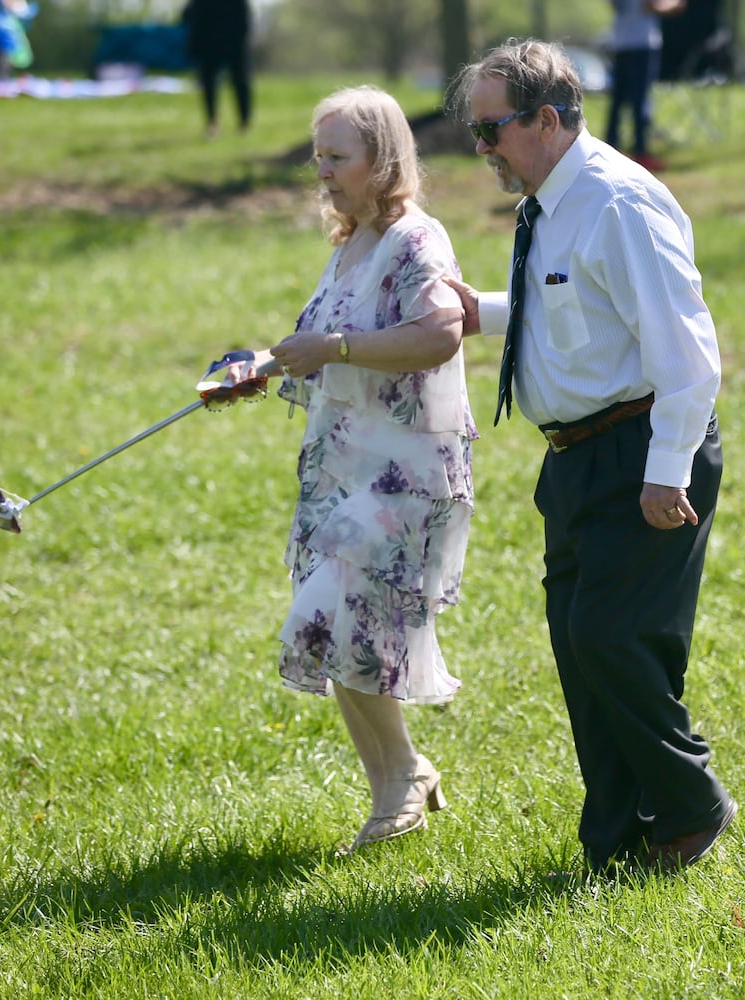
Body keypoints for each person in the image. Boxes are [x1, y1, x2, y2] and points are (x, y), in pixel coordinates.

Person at [445, 38, 736, 876]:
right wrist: (486, 313)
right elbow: (575, 305)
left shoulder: (616, 202)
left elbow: (687, 350)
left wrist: (668, 470)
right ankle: (615, 836)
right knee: (580, 646)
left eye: (492, 129)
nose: (482, 148)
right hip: (574, 459)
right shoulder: (548, 200)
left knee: (614, 639)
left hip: (642, 448)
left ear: (546, 118)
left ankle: (690, 807)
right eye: (475, 132)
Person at [250, 86, 474, 855]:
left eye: (337, 157)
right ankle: (399, 780)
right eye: (319, 155)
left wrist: (335, 350)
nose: (323, 171)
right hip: (344, 467)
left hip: (403, 473)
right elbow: (317, 344)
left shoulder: (418, 240)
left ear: (383, 161)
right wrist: (255, 370)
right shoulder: (350, 244)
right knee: (337, 633)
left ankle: (403, 776)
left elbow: (440, 334)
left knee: (331, 619)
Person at [606, 0, 681, 171]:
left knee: (618, 100)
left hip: (621, 43)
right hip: (641, 43)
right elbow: (650, 6)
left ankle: (611, 146)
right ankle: (641, 152)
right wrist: (675, 5)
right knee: (640, 100)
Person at [181, 0, 252, 137]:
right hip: (209, 39)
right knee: (208, 83)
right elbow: (193, 14)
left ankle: (244, 122)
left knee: (240, 80)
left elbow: (243, 13)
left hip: (233, 39)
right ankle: (212, 122)